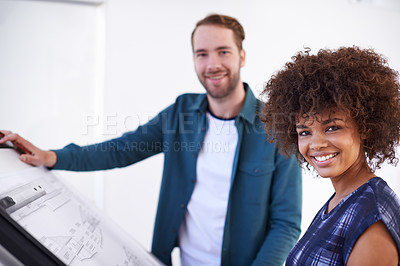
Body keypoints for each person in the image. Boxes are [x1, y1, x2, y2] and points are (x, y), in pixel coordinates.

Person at [0, 14, 302, 266]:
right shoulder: (181, 112)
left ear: (242, 56)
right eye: (202, 54)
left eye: (223, 51)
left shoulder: (276, 126)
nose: (212, 64)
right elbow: (120, 150)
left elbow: (286, 224)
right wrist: (52, 157)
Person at [261, 46, 400, 265]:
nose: (316, 144)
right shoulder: (342, 199)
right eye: (305, 132)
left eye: (332, 127)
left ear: (365, 127)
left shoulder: (371, 220)